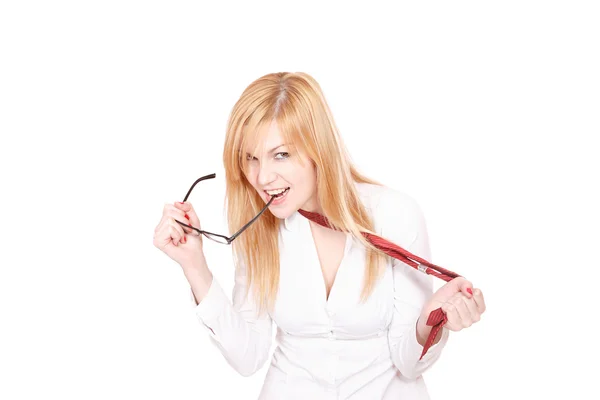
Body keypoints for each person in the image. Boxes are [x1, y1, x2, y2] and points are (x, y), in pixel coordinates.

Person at [153, 72, 486, 399]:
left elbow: (409, 365)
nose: (262, 177)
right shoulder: (259, 228)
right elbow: (247, 356)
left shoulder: (395, 215)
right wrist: (194, 265)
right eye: (250, 158)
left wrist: (432, 320)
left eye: (280, 154)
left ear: (318, 149)